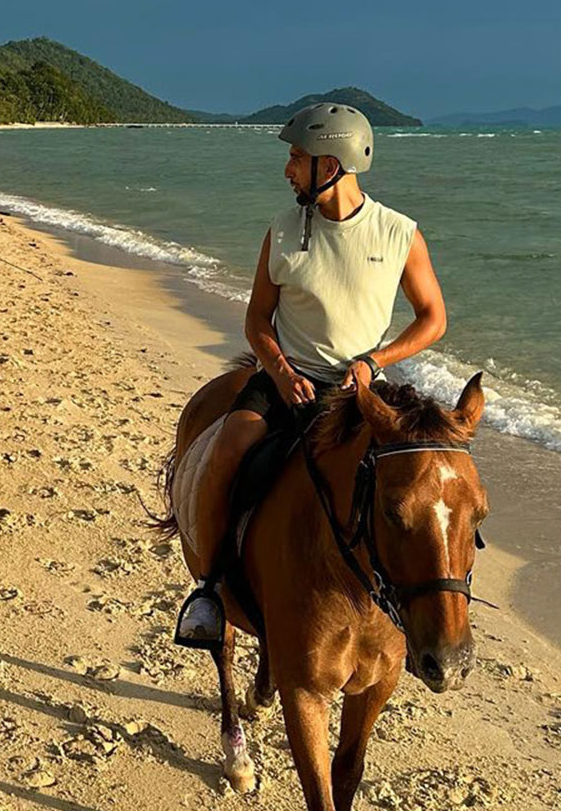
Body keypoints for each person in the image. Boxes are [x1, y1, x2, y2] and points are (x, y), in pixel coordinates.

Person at [174, 101, 450, 648]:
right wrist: (277, 371)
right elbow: (256, 319)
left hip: (360, 390)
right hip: (287, 378)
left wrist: (375, 362)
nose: (288, 170)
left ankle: (423, 595)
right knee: (229, 446)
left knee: (427, 478)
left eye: (297, 158)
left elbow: (433, 318)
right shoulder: (280, 231)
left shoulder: (399, 234)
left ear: (332, 165)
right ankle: (208, 589)